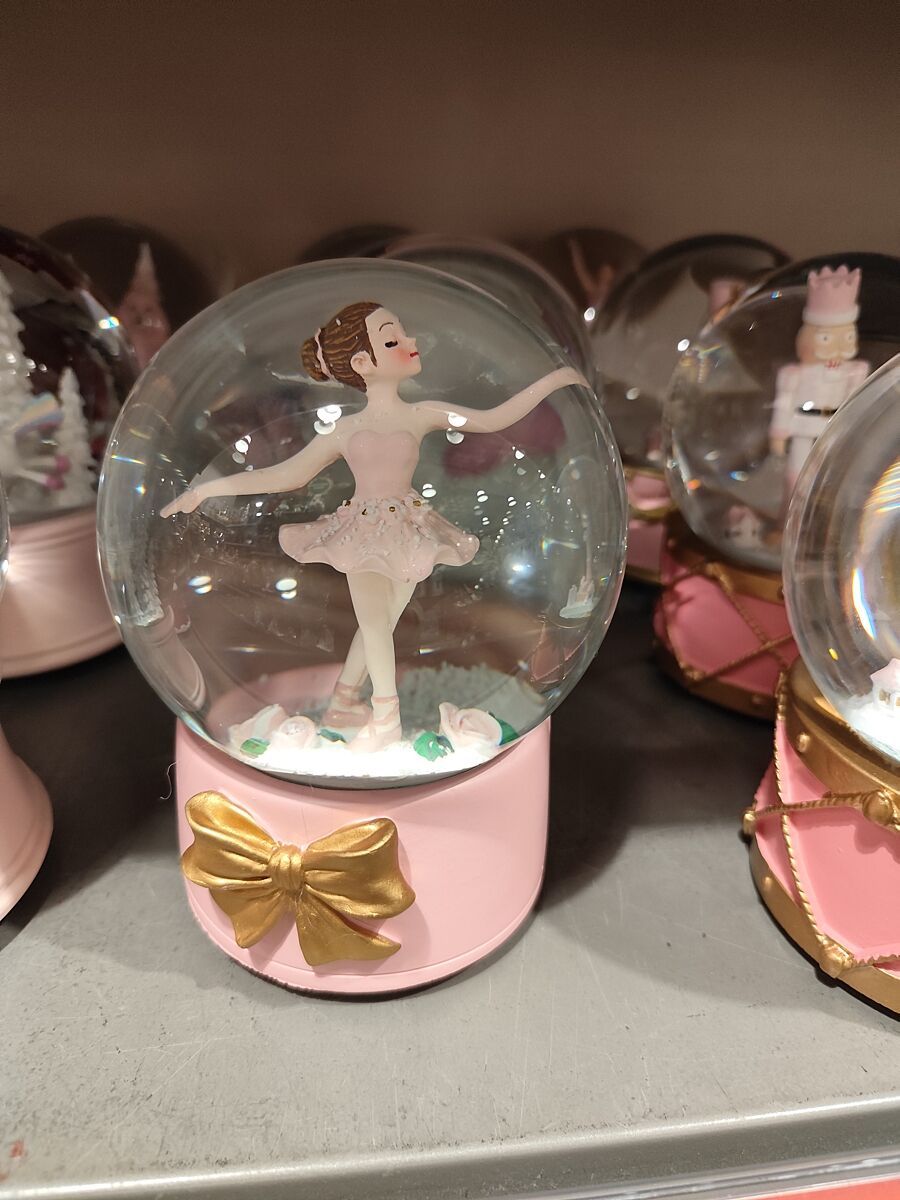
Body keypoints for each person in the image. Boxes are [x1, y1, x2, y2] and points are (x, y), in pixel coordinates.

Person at [163, 300, 584, 752]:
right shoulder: (345, 429)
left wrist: (555, 380)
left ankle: (343, 701)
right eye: (392, 338)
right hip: (361, 531)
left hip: (407, 527)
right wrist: (208, 490)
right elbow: (287, 474)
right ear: (363, 363)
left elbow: (493, 419)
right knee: (375, 622)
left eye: (402, 333)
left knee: (380, 623)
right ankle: (386, 716)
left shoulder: (422, 414)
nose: (410, 341)